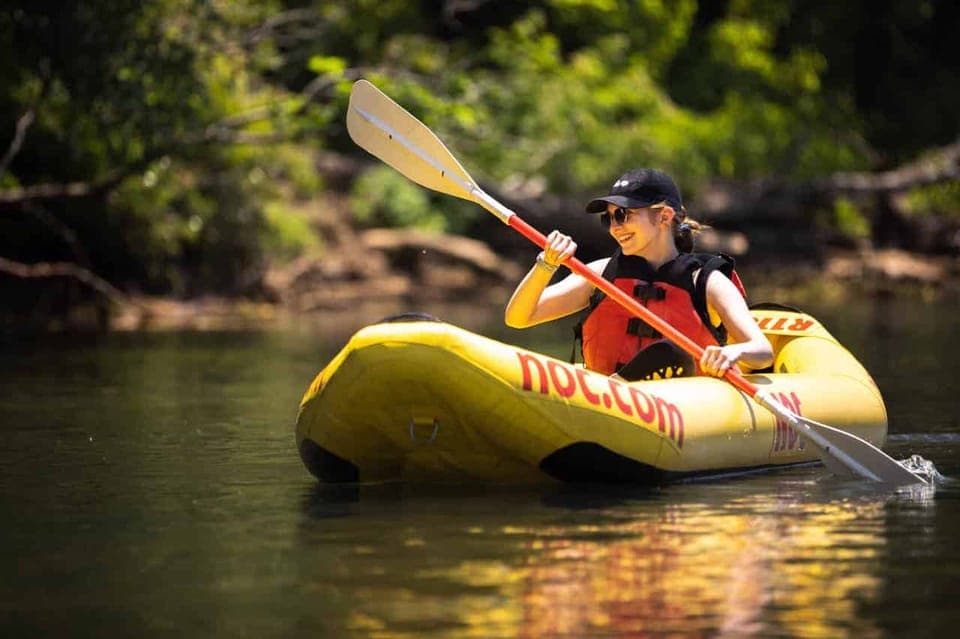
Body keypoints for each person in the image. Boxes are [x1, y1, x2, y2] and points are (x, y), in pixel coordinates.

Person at [504, 168, 773, 379]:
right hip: (610, 397)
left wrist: (733, 353)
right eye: (608, 218)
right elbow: (518, 318)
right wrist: (546, 264)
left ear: (664, 217)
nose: (614, 227)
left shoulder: (706, 282)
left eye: (623, 214)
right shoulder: (601, 275)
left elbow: (762, 351)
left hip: (685, 406)